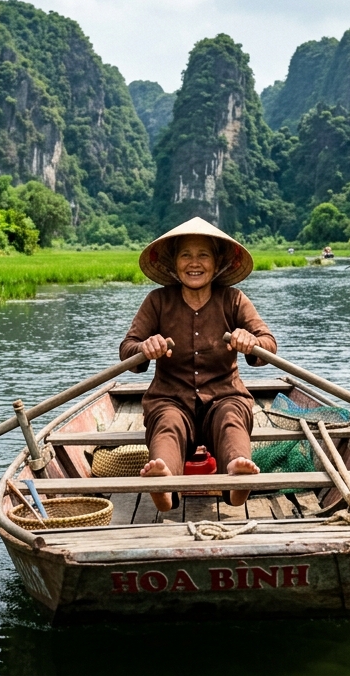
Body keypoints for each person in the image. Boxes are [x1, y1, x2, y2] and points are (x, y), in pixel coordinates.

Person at [121, 217, 276, 511]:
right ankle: (164, 485)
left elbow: (268, 343)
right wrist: (144, 347)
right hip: (171, 398)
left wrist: (250, 342)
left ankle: (236, 479)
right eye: (186, 255)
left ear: (217, 263)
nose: (195, 263)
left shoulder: (233, 300)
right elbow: (128, 350)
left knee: (231, 417)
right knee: (167, 423)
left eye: (203, 254)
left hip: (224, 395)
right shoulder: (157, 301)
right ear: (174, 264)